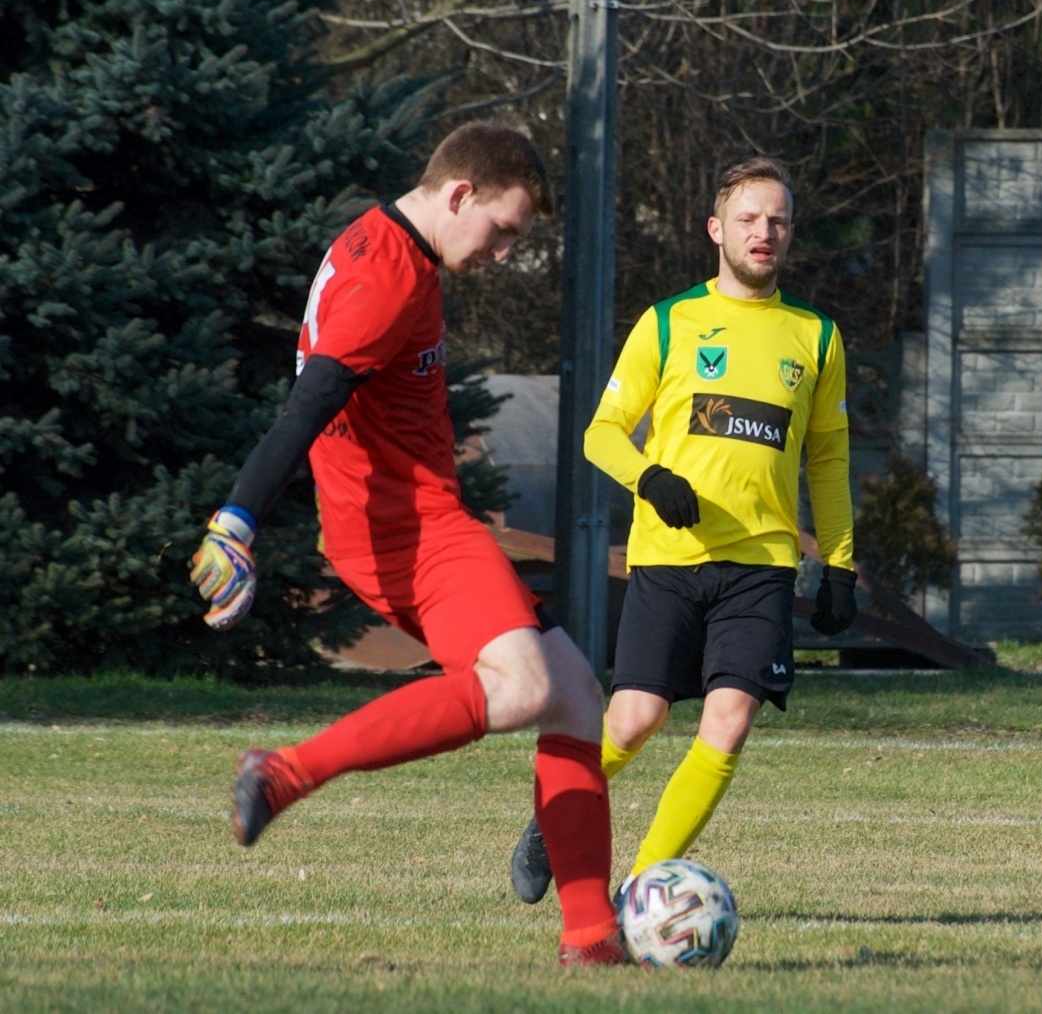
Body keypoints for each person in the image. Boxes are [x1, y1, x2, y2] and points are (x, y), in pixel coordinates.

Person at [188, 122, 627, 965]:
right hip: (408, 527)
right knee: (530, 685)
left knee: (575, 694)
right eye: (502, 230)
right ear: (459, 193)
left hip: (409, 519)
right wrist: (237, 519)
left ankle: (592, 938)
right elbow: (311, 402)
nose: (503, 253)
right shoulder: (388, 277)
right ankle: (285, 771)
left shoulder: (386, 241)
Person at [509, 156, 857, 905]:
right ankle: (551, 814)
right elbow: (601, 433)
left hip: (761, 564)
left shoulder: (817, 337)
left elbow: (828, 459)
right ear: (716, 230)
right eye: (748, 219)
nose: (764, 233)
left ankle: (641, 893)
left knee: (729, 724)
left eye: (778, 221)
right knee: (634, 720)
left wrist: (841, 565)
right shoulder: (667, 322)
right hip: (669, 558)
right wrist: (650, 478)